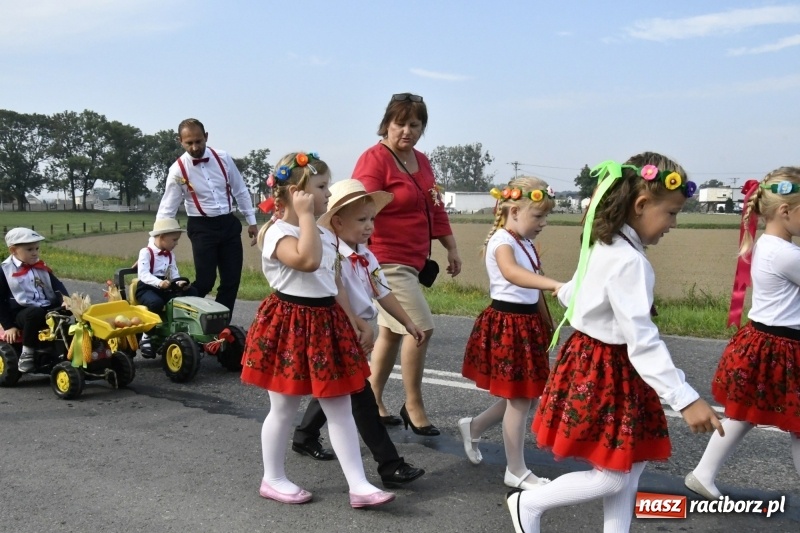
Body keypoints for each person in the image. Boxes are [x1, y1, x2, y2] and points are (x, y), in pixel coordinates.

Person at [505, 153, 724, 533]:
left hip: (600, 364)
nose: (673, 224)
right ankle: (529, 503)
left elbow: (574, 293)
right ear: (641, 205)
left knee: (630, 466)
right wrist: (685, 398)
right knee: (614, 475)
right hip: (609, 371)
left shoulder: (603, 245)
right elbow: (643, 339)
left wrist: (570, 296)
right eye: (671, 213)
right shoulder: (630, 262)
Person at [241, 152, 395, 509]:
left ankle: (359, 485)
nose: (328, 194)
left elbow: (332, 277)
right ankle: (273, 478)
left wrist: (353, 318)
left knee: (339, 404)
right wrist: (308, 216)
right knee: (283, 407)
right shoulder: (277, 232)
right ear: (297, 192)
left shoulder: (321, 232)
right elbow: (306, 261)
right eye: (322, 187)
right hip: (291, 323)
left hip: (326, 321)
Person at [291, 179, 426, 488]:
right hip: (338, 329)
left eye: (372, 219)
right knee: (358, 394)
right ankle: (389, 464)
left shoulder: (367, 255)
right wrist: (353, 323)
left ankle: (304, 435)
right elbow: (333, 292)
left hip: (357, 329)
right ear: (337, 221)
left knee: (339, 387)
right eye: (362, 220)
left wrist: (408, 322)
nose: (370, 227)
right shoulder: (330, 254)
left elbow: (382, 291)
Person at [685, 167, 800, 500]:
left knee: (744, 412)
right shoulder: (787, 254)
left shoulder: (772, 245)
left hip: (766, 343)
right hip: (780, 347)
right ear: (785, 211)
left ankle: (704, 473)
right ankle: (703, 473)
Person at [353, 92, 462, 435]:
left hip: (414, 259)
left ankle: (371, 398)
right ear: (386, 124)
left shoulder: (422, 161)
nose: (407, 131)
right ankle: (413, 403)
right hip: (385, 259)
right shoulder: (374, 160)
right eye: (400, 123)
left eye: (415, 124)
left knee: (391, 332)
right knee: (420, 329)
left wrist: (451, 248)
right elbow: (362, 208)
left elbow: (435, 208)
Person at [459, 177, 562, 490]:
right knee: (519, 399)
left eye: (546, 216)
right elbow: (512, 274)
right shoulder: (503, 241)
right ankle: (515, 470)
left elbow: (534, 292)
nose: (543, 223)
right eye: (538, 216)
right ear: (514, 209)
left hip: (527, 325)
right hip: (508, 327)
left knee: (524, 396)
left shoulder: (526, 242)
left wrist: (548, 324)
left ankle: (473, 427)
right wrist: (556, 284)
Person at [156, 118, 257, 314]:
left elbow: (240, 190)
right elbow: (167, 207)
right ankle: (181, 314)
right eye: (189, 143)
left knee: (231, 280)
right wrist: (154, 243)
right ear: (180, 141)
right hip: (201, 227)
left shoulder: (223, 158)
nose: (194, 147)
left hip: (228, 223)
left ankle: (220, 326)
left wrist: (251, 221)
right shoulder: (177, 170)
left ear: (206, 137)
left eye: (198, 141)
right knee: (205, 281)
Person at [0, 228, 68, 373]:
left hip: (45, 307)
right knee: (34, 313)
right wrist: (8, 326)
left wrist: (65, 300)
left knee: (67, 311)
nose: (35, 252)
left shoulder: (40, 267)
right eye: (30, 249)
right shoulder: (5, 270)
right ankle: (27, 353)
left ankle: (66, 349)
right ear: (13, 250)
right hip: (20, 313)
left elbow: (56, 286)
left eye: (37, 248)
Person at [135, 218, 198, 358]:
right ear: (162, 237)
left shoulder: (170, 255)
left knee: (190, 294)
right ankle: (146, 335)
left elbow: (174, 273)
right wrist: (158, 282)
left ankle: (182, 329)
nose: (176, 243)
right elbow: (143, 274)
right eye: (174, 240)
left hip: (165, 286)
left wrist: (181, 283)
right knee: (155, 303)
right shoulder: (146, 252)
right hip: (147, 287)